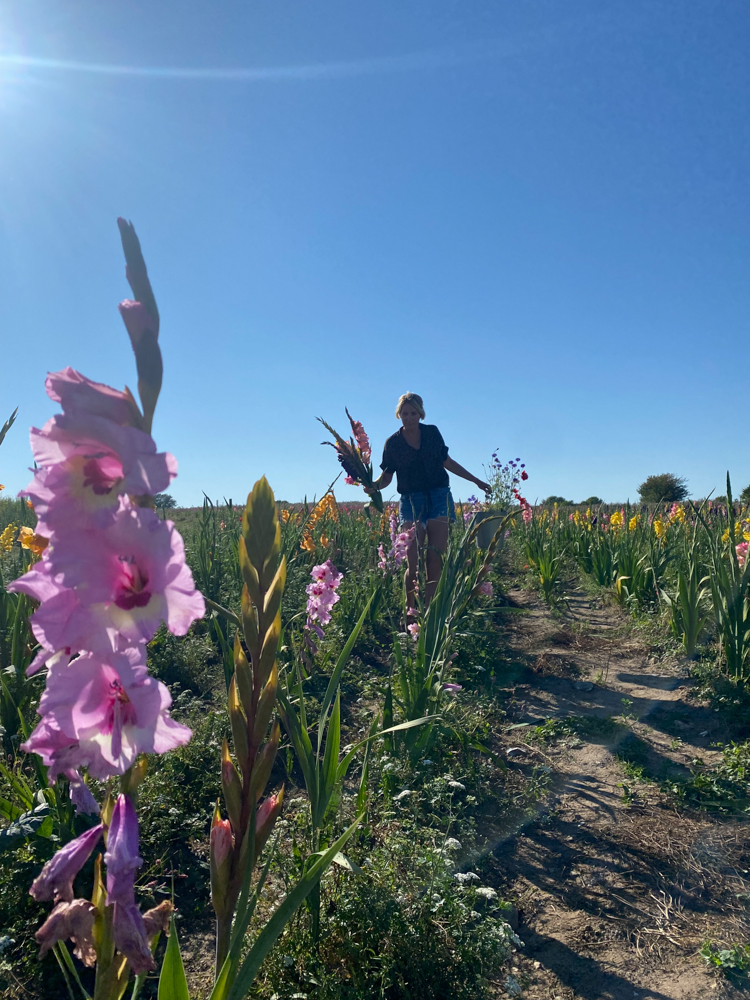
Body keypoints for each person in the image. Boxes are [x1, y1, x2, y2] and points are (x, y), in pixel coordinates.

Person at [365, 392, 490, 606]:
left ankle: (431, 611)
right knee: (412, 563)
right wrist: (373, 486)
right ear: (399, 415)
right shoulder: (392, 443)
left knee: (434, 559)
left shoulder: (432, 433)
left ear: (420, 414)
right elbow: (387, 476)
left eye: (413, 413)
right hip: (411, 501)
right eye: (405, 413)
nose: (409, 417)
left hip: (439, 496)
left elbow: (447, 462)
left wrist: (476, 481)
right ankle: (410, 610)